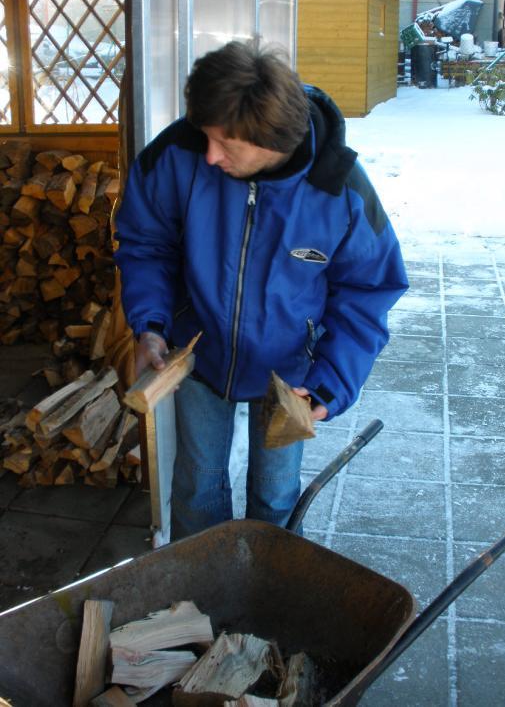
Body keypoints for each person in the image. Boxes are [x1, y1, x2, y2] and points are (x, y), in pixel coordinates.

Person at [114, 39, 408, 539]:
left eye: (226, 145)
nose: (209, 155)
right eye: (206, 137)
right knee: (197, 488)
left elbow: (369, 288)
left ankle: (265, 594)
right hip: (198, 353)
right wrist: (152, 324)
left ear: (272, 142)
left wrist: (331, 380)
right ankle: (198, 600)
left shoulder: (340, 188)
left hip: (291, 372)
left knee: (274, 495)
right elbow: (145, 244)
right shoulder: (177, 153)